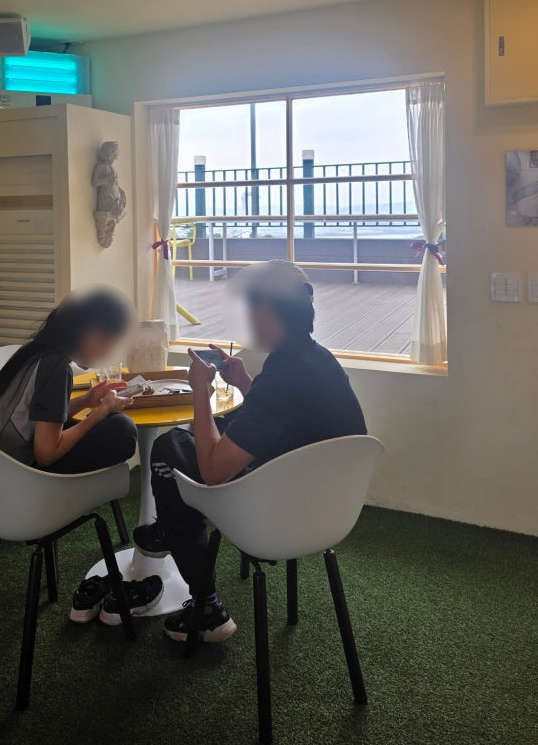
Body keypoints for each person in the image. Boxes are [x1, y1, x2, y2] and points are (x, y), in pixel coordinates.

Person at [134, 260, 367, 643]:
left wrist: (199, 392)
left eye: (251, 307)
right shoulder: (315, 359)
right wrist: (245, 382)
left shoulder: (283, 373)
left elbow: (214, 471)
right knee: (218, 427)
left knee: (169, 448)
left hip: (272, 514)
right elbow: (284, 417)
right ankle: (170, 529)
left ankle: (206, 606)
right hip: (328, 510)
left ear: (267, 309)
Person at [0, 289, 163, 625]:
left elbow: (41, 419)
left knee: (110, 425)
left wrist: (88, 400)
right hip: (28, 483)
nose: (107, 352)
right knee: (122, 431)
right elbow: (47, 453)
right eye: (109, 343)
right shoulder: (56, 367)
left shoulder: (35, 354)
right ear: (91, 333)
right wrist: (101, 411)